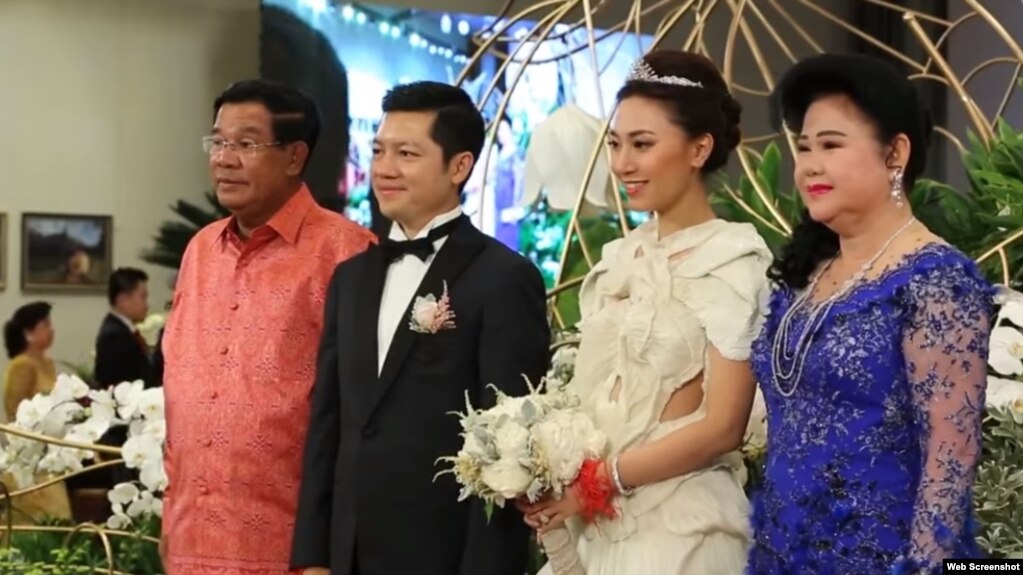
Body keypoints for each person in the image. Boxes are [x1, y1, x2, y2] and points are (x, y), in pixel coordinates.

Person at [519, 50, 772, 574]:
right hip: (594, 522)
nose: (622, 164)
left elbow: (723, 427)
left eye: (642, 145)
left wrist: (601, 479)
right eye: (615, 144)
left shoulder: (732, 261)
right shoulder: (622, 257)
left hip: (680, 525)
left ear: (699, 147)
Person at [290, 81, 550, 575]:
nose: (384, 169)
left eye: (407, 153)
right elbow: (328, 426)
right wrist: (313, 556)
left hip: (442, 554)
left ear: (459, 166)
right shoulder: (350, 278)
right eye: (379, 151)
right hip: (347, 553)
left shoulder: (503, 279)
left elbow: (509, 452)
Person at [747, 53, 993, 574]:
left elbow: (948, 467)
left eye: (831, 145)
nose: (810, 164)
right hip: (780, 553)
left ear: (894, 154)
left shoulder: (936, 280)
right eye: (803, 147)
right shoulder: (808, 272)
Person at [160, 79, 375, 575]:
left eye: (246, 143)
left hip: (295, 552)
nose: (224, 158)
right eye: (218, 141)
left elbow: (361, 417)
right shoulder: (199, 251)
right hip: (191, 539)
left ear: (295, 157)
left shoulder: (348, 252)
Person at [2, 302, 73, 522]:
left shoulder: (47, 363)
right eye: (45, 325)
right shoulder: (21, 365)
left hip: (52, 451)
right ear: (28, 333)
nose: (51, 330)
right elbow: (15, 411)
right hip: (31, 455)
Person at [93, 267, 153, 388]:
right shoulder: (115, 337)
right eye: (143, 297)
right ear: (123, 300)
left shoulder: (120, 330)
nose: (147, 304)